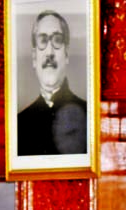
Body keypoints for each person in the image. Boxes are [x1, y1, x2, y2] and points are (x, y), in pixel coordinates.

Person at [17, 10, 87, 156]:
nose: (49, 52)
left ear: (66, 54)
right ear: (34, 57)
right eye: (42, 40)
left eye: (57, 40)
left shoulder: (89, 117)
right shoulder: (19, 124)